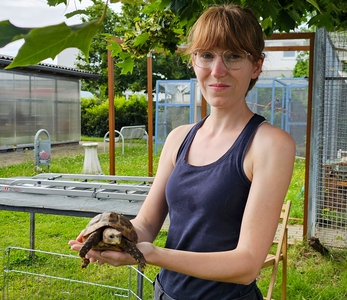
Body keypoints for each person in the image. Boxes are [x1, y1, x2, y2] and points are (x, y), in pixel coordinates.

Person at [69, 4, 295, 299]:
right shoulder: (179, 139)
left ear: (256, 65)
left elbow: (247, 265)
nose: (218, 70)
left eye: (233, 55)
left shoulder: (270, 145)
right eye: (207, 55)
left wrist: (153, 255)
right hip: (165, 293)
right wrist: (112, 238)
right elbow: (147, 224)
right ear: (193, 60)